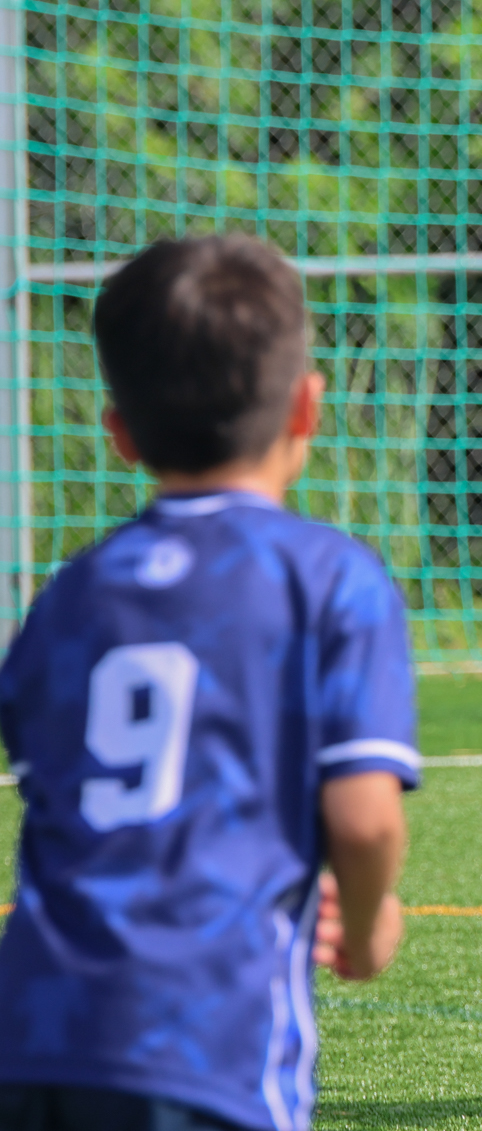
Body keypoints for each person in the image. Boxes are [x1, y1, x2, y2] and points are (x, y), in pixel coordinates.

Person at [0, 236, 417, 1131]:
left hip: (30, 1034)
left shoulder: (68, 595)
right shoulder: (330, 580)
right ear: (307, 407)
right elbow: (364, 819)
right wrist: (370, 922)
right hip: (206, 1044)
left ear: (118, 432)